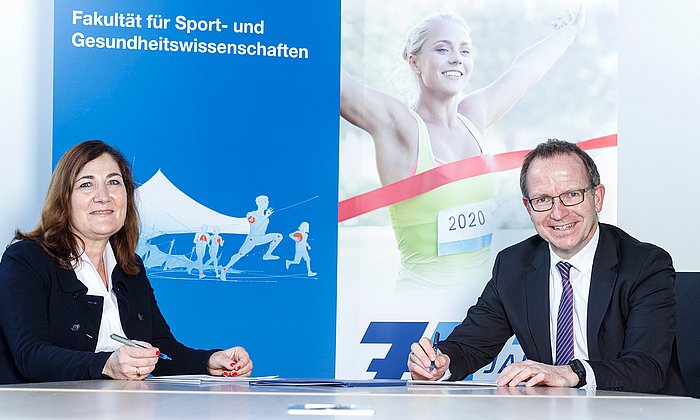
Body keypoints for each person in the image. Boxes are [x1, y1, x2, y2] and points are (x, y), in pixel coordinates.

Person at [407, 139, 688, 395]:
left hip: (638, 411)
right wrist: (441, 362)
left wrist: (570, 373)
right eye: (542, 200)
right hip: (553, 411)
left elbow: (647, 368)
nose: (558, 212)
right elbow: (470, 345)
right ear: (528, 208)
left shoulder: (644, 265)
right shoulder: (513, 265)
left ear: (597, 197)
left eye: (572, 195)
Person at [341, 7, 585, 288]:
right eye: (443, 50)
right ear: (414, 61)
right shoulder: (402, 127)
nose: (456, 58)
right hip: (420, 309)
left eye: (465, 51)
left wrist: (569, 33)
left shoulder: (473, 116)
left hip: (481, 308)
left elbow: (525, 70)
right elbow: (340, 87)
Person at [0, 140, 253, 384]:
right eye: (86, 185)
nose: (103, 196)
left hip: (119, 406)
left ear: (127, 196)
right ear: (64, 200)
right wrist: (107, 364)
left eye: (113, 182)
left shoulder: (130, 267)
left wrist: (210, 361)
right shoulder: (25, 260)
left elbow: (160, 350)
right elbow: (30, 355)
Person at [220, 195, 283, 280]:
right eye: (263, 201)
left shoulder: (267, 220)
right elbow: (255, 226)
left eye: (267, 202)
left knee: (279, 236)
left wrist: (266, 217)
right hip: (252, 239)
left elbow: (262, 231)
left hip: (261, 238)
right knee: (240, 254)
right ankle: (225, 269)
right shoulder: (250, 214)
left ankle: (267, 255)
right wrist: (266, 216)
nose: (266, 204)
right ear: (257, 203)